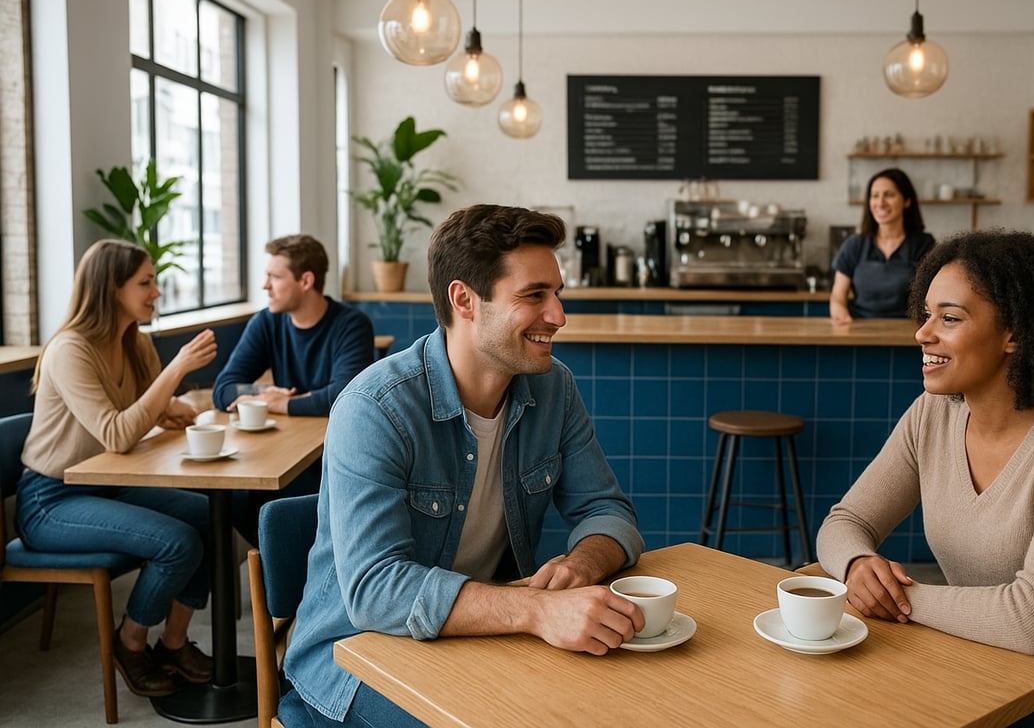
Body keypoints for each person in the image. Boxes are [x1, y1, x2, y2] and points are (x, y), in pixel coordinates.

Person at [280, 204, 644, 727]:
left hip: (478, 640)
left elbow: (607, 509)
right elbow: (375, 591)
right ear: (465, 300)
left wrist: (581, 565)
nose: (559, 315)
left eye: (557, 293)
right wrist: (536, 611)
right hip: (354, 659)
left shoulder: (554, 387)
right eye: (534, 295)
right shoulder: (374, 408)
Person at [816, 230, 1034, 726]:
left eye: (949, 318)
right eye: (927, 313)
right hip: (981, 658)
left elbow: (1030, 622)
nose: (922, 333)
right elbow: (845, 521)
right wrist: (857, 565)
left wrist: (893, 596)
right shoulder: (933, 414)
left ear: (1014, 333)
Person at [17, 239, 218, 698]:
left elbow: (147, 412)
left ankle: (172, 643)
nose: (156, 293)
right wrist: (179, 367)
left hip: (106, 486)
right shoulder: (70, 349)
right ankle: (129, 642)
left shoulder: (134, 343)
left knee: (207, 515)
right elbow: (116, 433)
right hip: (50, 501)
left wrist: (169, 408)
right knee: (177, 542)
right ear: (112, 288)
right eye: (145, 282)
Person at [211, 233, 374, 543]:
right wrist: (265, 396)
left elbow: (345, 396)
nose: (264, 286)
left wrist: (282, 404)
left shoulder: (352, 325)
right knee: (235, 503)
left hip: (328, 459)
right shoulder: (266, 323)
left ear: (306, 281)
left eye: (274, 276)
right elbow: (223, 389)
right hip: (277, 456)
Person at [829, 168, 935, 324]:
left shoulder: (923, 245)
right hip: (860, 329)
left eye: (889, 195)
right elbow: (838, 295)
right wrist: (840, 311)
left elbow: (934, 297)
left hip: (909, 333)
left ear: (907, 201)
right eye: (875, 196)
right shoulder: (855, 245)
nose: (880, 202)